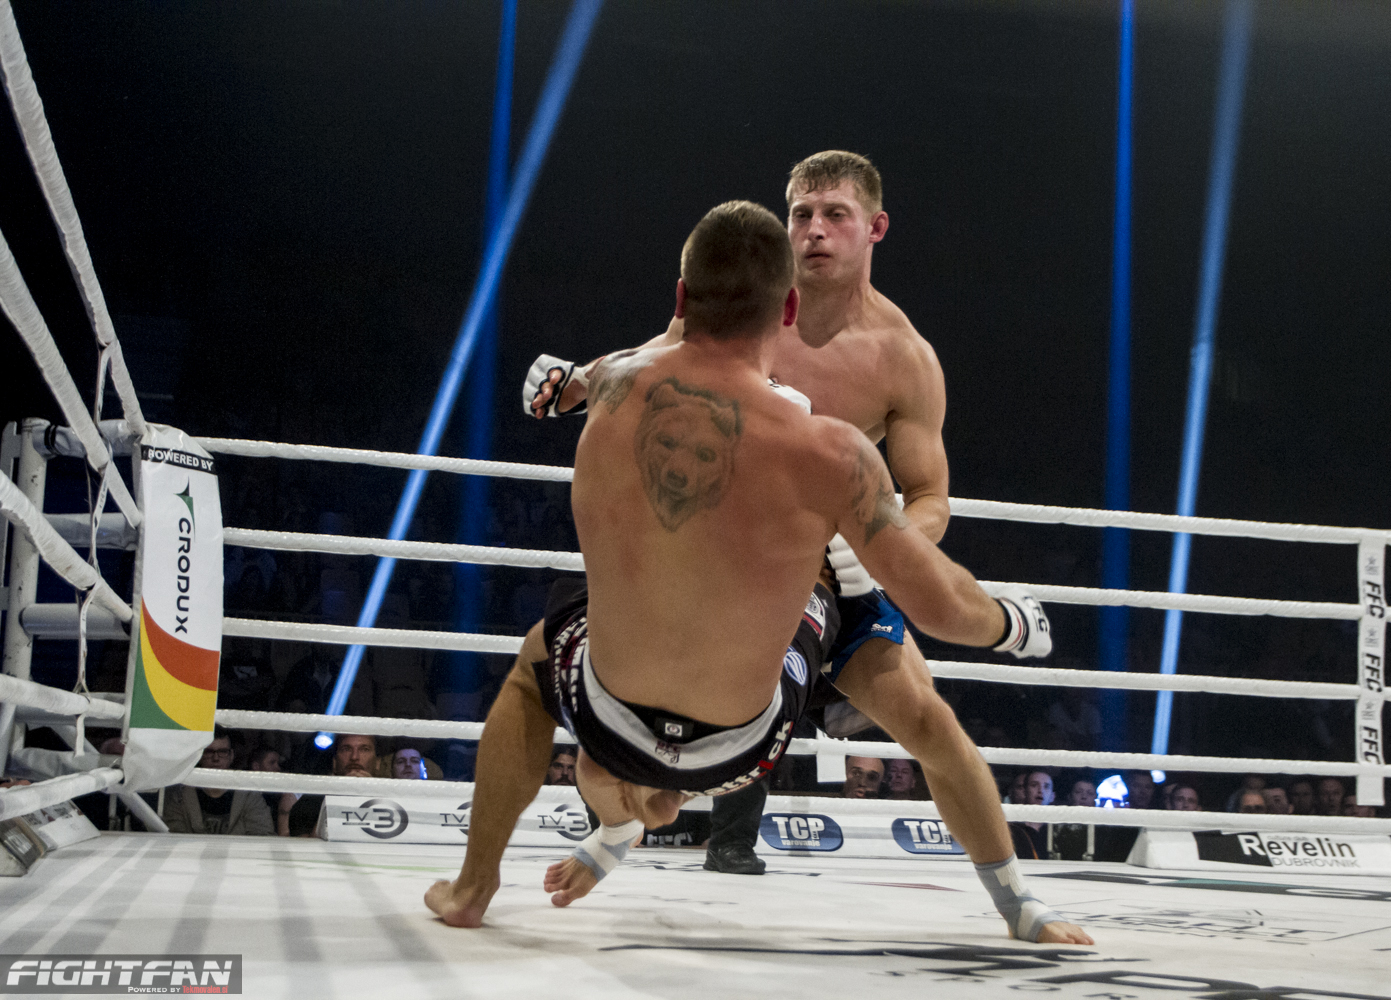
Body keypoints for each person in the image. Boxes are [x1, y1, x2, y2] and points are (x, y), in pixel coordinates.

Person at [427, 201, 1086, 946]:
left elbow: (594, 375)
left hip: (605, 719)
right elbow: (939, 607)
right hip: (745, 745)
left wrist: (563, 382)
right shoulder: (833, 451)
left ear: (681, 298)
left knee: (535, 667)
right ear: (788, 309)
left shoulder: (616, 387)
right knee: (835, 601)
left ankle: (477, 885)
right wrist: (1012, 624)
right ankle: (1015, 906)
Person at [521, 152, 1045, 877]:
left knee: (929, 721)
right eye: (802, 214)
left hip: (836, 566)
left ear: (875, 228)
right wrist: (573, 383)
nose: (815, 230)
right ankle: (619, 833)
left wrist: (877, 546)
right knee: (666, 709)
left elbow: (930, 496)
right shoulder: (749, 307)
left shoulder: (903, 357)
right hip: (734, 551)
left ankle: (1019, 900)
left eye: (835, 215)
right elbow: (654, 360)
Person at [161, 729, 274, 836]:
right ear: (200, 755)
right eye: (209, 752)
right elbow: (173, 836)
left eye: (223, 752)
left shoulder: (249, 795)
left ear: (231, 755)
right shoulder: (180, 796)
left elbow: (262, 835)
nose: (216, 758)